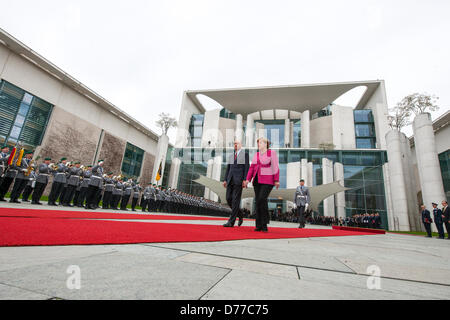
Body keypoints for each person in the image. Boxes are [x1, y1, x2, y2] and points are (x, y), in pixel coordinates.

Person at [244, 137, 280, 232]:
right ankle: (258, 225)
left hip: (268, 180)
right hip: (256, 180)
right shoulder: (256, 154)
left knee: (262, 199)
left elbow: (275, 166)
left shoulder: (271, 153)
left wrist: (276, 180)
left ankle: (264, 224)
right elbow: (252, 168)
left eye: (260, 143)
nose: (258, 144)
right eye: (258, 143)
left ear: (265, 144)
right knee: (258, 201)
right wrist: (247, 179)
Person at [223, 140, 249, 228]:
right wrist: (225, 179)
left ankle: (231, 222)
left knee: (235, 200)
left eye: (237, 143)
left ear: (241, 145)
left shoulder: (245, 155)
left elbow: (246, 168)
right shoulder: (231, 156)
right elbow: (228, 169)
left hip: (239, 181)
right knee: (228, 198)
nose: (235, 145)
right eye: (234, 143)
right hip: (230, 180)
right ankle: (240, 214)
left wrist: (245, 180)